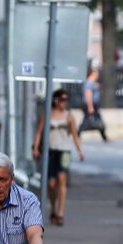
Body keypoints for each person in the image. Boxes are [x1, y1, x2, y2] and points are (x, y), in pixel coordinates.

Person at [33, 88, 85, 226]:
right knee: (51, 184)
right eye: (62, 99)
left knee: (62, 181)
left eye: (66, 100)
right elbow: (39, 132)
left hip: (65, 151)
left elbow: (74, 134)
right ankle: (54, 205)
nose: (64, 103)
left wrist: (80, 150)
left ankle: (60, 212)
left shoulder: (69, 116)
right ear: (55, 100)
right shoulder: (47, 114)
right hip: (50, 151)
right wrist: (36, 147)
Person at [80, 67, 108, 142]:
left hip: (93, 105)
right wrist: (90, 106)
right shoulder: (89, 83)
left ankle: (105, 137)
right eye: (96, 74)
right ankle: (77, 133)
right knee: (88, 120)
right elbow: (88, 94)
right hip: (91, 105)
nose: (97, 75)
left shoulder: (92, 83)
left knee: (95, 120)